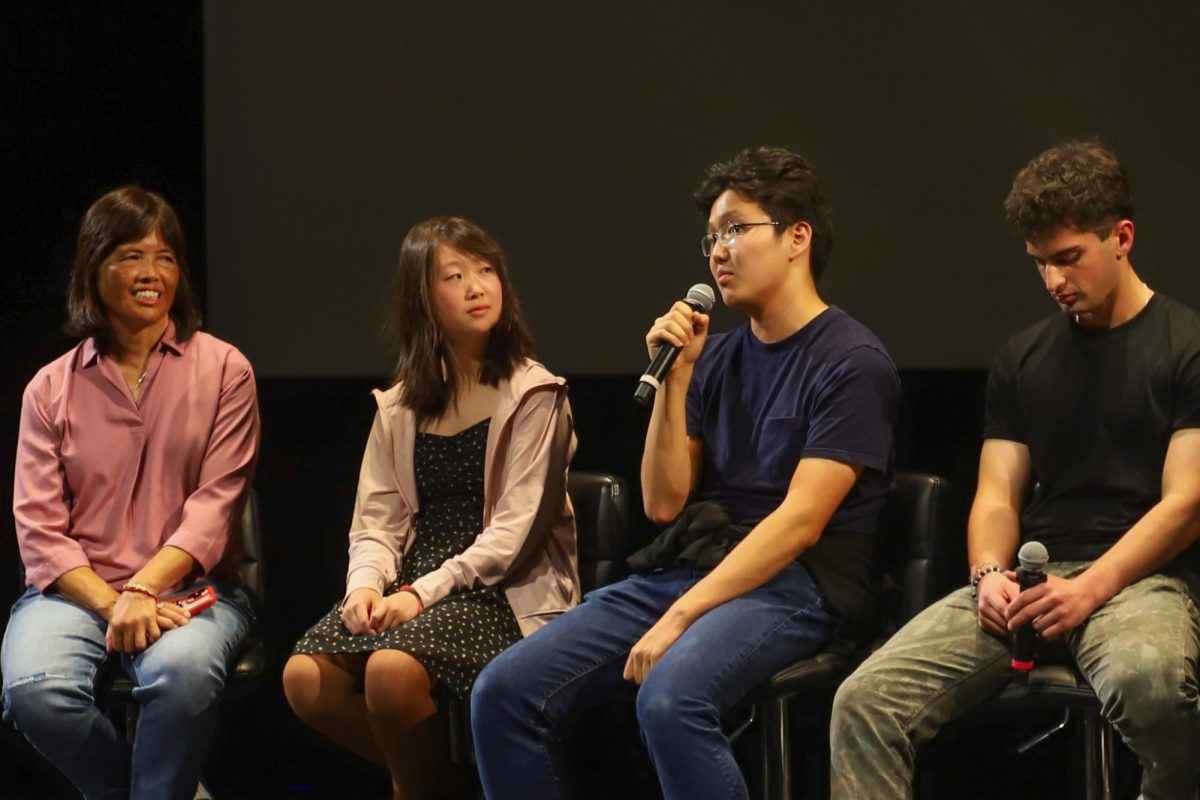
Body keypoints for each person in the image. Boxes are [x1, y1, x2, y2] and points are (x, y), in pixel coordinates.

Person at [471, 146, 900, 799]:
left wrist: (679, 620)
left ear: (797, 238)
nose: (719, 251)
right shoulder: (717, 358)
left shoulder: (851, 362)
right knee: (503, 692)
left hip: (796, 586)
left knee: (671, 700)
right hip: (696, 566)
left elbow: (801, 522)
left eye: (735, 229)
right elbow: (664, 503)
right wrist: (678, 378)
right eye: (710, 239)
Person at [830, 141, 1200, 799]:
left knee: (1152, 689)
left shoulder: (1186, 347)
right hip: (1034, 579)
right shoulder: (1022, 358)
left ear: (1122, 237)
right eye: (1040, 265)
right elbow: (997, 494)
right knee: (866, 699)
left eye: (1069, 260)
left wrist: (1090, 590)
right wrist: (989, 573)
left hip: (1141, 581)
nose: (1055, 281)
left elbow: (1185, 503)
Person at [282, 216, 579, 800]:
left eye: (486, 270)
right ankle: (447, 787)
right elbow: (377, 519)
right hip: (412, 584)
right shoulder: (399, 405)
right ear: (422, 298)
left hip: (501, 589)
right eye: (455, 275)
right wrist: (365, 587)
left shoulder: (536, 393)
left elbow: (515, 535)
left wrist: (421, 593)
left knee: (392, 674)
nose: (476, 286)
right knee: (305, 680)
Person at [1, 186, 260, 800]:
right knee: (34, 689)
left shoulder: (226, 370)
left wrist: (144, 588)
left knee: (183, 673)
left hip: (192, 591)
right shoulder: (50, 388)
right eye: (130, 256)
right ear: (93, 269)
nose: (151, 273)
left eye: (165, 257)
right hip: (76, 592)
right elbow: (39, 527)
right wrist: (115, 602)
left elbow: (214, 507)